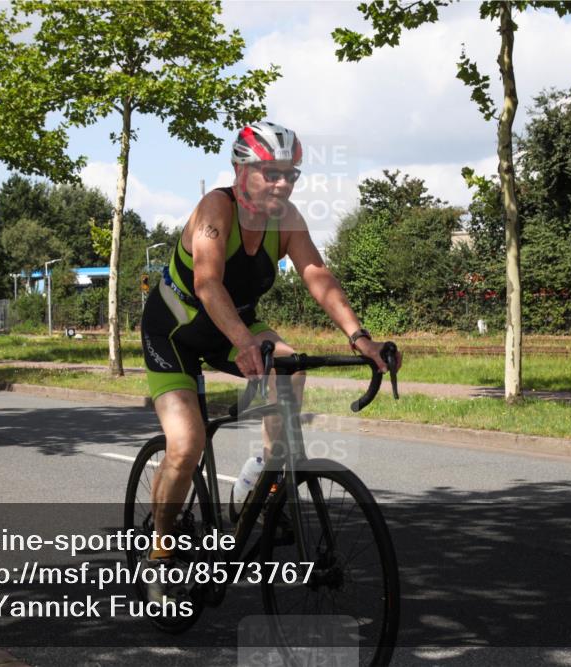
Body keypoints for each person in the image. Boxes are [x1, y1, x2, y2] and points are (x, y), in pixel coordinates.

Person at [139, 120, 402, 603]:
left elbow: (317, 274)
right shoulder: (215, 210)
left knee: (291, 366)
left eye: (290, 174)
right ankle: (159, 552)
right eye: (269, 172)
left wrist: (359, 337)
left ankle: (261, 471)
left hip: (232, 327)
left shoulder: (288, 220)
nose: (281, 183)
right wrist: (242, 341)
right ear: (241, 171)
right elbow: (207, 284)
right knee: (187, 442)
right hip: (174, 332)